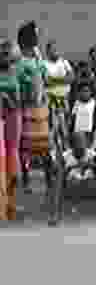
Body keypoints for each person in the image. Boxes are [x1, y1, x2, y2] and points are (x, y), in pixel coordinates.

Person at [15, 21, 49, 193]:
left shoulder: (37, 58)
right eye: (36, 34)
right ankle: (27, 179)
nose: (38, 37)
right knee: (26, 146)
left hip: (40, 107)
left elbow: (45, 75)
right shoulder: (20, 62)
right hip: (27, 108)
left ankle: (49, 179)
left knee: (43, 144)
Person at [0, 38, 21, 220]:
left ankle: (11, 206)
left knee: (12, 159)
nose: (4, 56)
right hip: (2, 116)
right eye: (2, 53)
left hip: (14, 117)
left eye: (7, 53)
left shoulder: (16, 71)